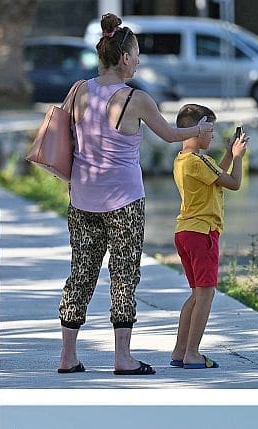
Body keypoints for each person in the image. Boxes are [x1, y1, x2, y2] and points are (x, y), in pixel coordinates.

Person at [57, 13, 213, 376]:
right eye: (138, 54)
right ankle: (122, 358)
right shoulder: (135, 99)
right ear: (125, 57)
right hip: (124, 202)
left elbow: (67, 138)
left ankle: (68, 356)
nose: (140, 60)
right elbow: (172, 135)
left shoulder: (78, 90)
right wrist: (200, 128)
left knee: (80, 273)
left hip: (81, 198)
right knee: (124, 275)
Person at [168, 105, 248, 370]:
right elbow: (233, 182)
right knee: (206, 295)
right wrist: (238, 157)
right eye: (209, 128)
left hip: (186, 232)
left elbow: (217, 177)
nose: (212, 133)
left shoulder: (184, 159)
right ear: (195, 128)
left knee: (196, 294)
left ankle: (180, 351)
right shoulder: (197, 161)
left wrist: (227, 154)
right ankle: (192, 353)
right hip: (202, 233)